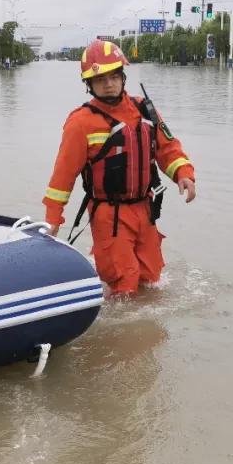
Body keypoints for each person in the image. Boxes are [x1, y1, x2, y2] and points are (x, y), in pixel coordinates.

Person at [43, 39, 197, 297]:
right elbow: (63, 176)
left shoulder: (144, 110)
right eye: (100, 78)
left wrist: (184, 174)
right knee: (124, 287)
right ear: (88, 84)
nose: (109, 83)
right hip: (109, 216)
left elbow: (167, 148)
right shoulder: (80, 123)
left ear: (123, 76)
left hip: (145, 210)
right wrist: (53, 219)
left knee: (152, 280)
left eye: (114, 75)